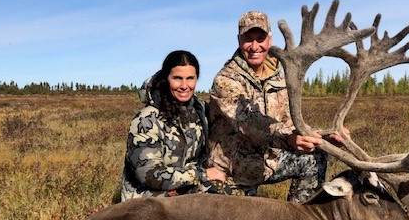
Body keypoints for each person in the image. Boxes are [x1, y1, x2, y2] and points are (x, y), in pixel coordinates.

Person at [208, 11, 339, 203]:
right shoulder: (225, 80)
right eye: (248, 39)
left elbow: (287, 123)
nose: (254, 47)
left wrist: (322, 135)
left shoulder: (278, 78)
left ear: (269, 40)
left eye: (260, 39)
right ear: (238, 40)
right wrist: (289, 139)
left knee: (316, 157)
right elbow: (250, 123)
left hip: (269, 162)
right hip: (234, 171)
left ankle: (300, 219)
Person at [121, 50, 226, 201]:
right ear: (166, 78)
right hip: (148, 197)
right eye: (177, 78)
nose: (184, 86)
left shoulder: (201, 110)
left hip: (184, 188)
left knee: (227, 193)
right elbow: (149, 175)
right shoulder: (146, 120)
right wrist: (202, 175)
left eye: (190, 78)